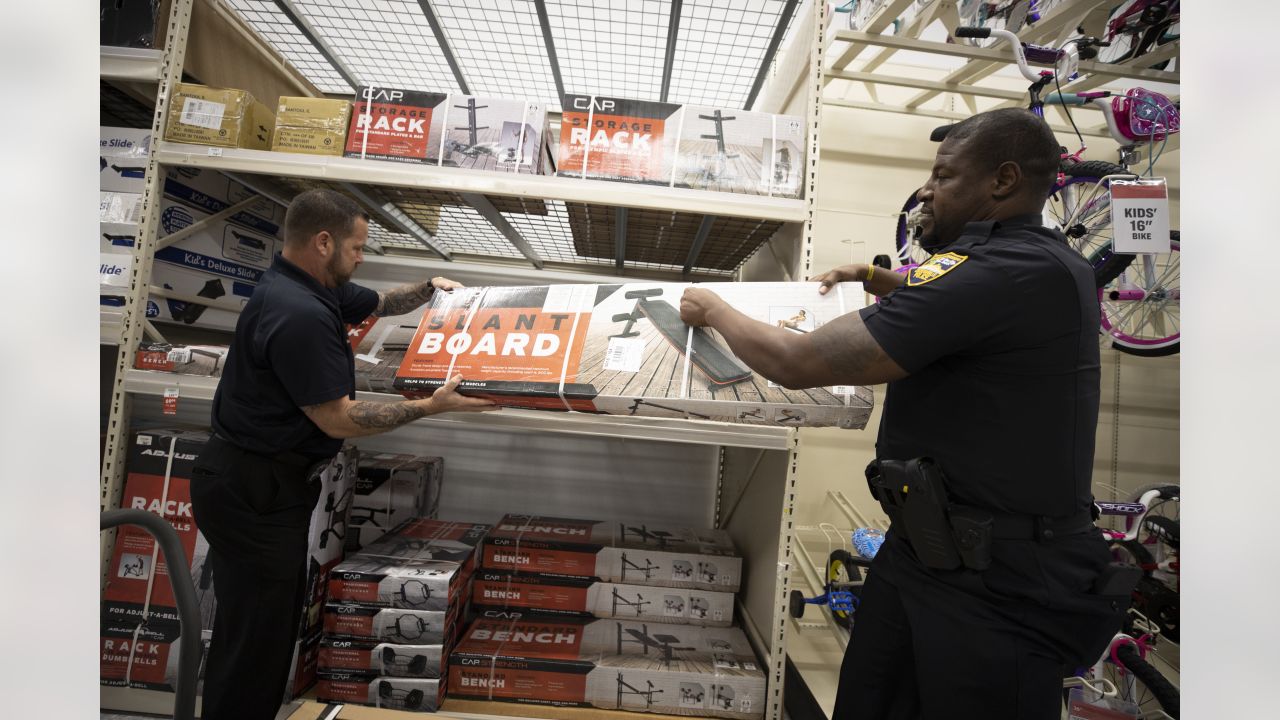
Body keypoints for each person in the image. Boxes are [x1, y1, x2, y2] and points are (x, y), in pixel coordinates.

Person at [680, 108, 1127, 719]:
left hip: (1001, 588)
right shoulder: (1027, 263)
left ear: (1002, 181)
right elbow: (962, 318)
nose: (927, 191)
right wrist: (874, 278)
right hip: (925, 556)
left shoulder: (1007, 272)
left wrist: (714, 307)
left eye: (943, 177)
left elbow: (799, 360)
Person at [189, 188, 495, 720]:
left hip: (257, 484)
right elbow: (337, 417)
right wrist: (431, 407)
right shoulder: (300, 313)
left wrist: (429, 289)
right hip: (254, 492)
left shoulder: (306, 283)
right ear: (323, 241)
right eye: (356, 249)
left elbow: (376, 303)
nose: (360, 258)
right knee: (254, 647)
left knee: (259, 635)